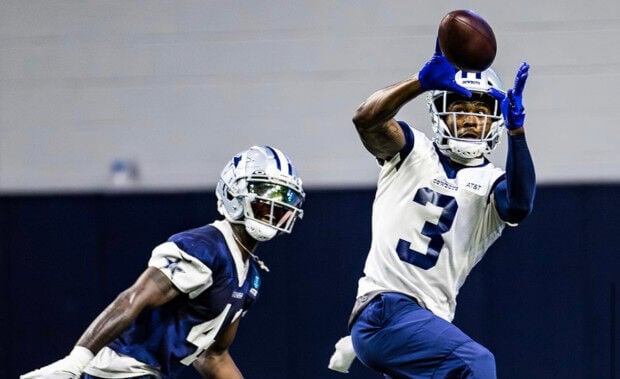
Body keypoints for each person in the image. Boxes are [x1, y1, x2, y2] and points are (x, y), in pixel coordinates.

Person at [328, 40, 536, 378]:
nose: (470, 120)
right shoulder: (412, 151)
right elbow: (367, 120)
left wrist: (518, 133)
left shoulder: (492, 182)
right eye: (461, 110)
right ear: (440, 113)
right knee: (476, 364)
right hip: (386, 308)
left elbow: (519, 205)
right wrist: (420, 81)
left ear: (495, 122)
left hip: (426, 324)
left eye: (481, 113)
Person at [21, 145, 305, 379]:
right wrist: (75, 361)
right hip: (115, 373)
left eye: (282, 198)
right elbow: (133, 299)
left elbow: (213, 355)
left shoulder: (250, 276)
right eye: (263, 194)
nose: (273, 207)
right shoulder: (204, 247)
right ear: (234, 193)